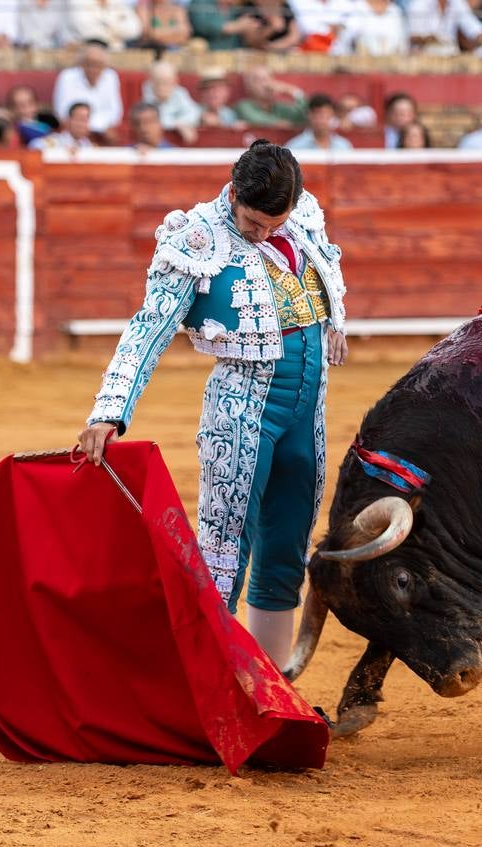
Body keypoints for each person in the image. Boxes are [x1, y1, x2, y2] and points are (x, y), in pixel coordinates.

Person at [78, 140, 350, 670]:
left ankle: (271, 688)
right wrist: (109, 410)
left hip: (307, 414)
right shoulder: (197, 238)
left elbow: (325, 292)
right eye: (253, 223)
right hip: (241, 416)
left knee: (286, 551)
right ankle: (213, 688)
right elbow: (148, 329)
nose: (263, 234)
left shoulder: (302, 219)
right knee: (224, 554)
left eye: (274, 224)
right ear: (232, 195)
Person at [53, 40, 124, 138]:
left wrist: (94, 126)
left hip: (102, 129)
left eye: (98, 64)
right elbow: (62, 111)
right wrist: (90, 126)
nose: (93, 68)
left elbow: (115, 112)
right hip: (75, 129)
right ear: (81, 64)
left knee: (113, 136)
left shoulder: (111, 76)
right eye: (89, 64)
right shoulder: (67, 76)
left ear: (105, 65)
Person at [142, 60, 202, 141]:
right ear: (151, 81)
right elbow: (154, 121)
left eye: (166, 82)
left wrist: (181, 123)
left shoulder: (180, 93)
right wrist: (177, 125)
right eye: (157, 82)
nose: (161, 87)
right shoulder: (146, 95)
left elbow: (194, 112)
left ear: (175, 81)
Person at [234, 67, 308, 128]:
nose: (266, 84)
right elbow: (260, 120)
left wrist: (293, 91)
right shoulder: (243, 106)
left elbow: (305, 115)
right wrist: (287, 124)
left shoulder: (279, 107)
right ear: (249, 86)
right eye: (259, 80)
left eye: (268, 79)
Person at [406, 0, 482, 53]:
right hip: (423, 59)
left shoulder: (457, 2)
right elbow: (413, 37)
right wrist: (433, 40)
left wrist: (480, 38)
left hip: (450, 58)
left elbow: (474, 28)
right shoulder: (419, 3)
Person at [332, 0, 409, 54]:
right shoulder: (356, 8)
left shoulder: (396, 11)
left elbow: (404, 46)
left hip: (393, 68)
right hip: (360, 68)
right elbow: (343, 44)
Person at [286, 94, 354, 150]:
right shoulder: (294, 146)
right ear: (309, 115)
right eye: (316, 114)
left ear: (332, 115)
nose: (320, 119)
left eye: (324, 114)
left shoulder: (343, 145)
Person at [30, 101, 95, 150]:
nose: (81, 124)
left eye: (85, 120)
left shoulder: (89, 146)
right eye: (78, 119)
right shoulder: (57, 140)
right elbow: (34, 146)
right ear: (68, 120)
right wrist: (62, 151)